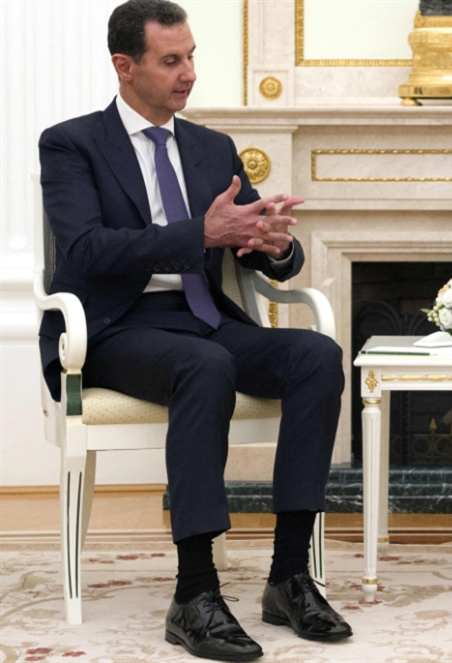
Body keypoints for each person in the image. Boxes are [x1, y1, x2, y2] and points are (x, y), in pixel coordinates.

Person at [38, 0, 351, 659]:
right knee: (205, 367)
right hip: (115, 329)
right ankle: (195, 592)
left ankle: (288, 575)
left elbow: (251, 243)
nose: (188, 74)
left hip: (205, 318)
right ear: (125, 66)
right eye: (170, 60)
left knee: (317, 355)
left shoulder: (213, 148)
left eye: (191, 57)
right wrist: (198, 234)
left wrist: (273, 245)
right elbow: (87, 250)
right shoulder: (72, 144)